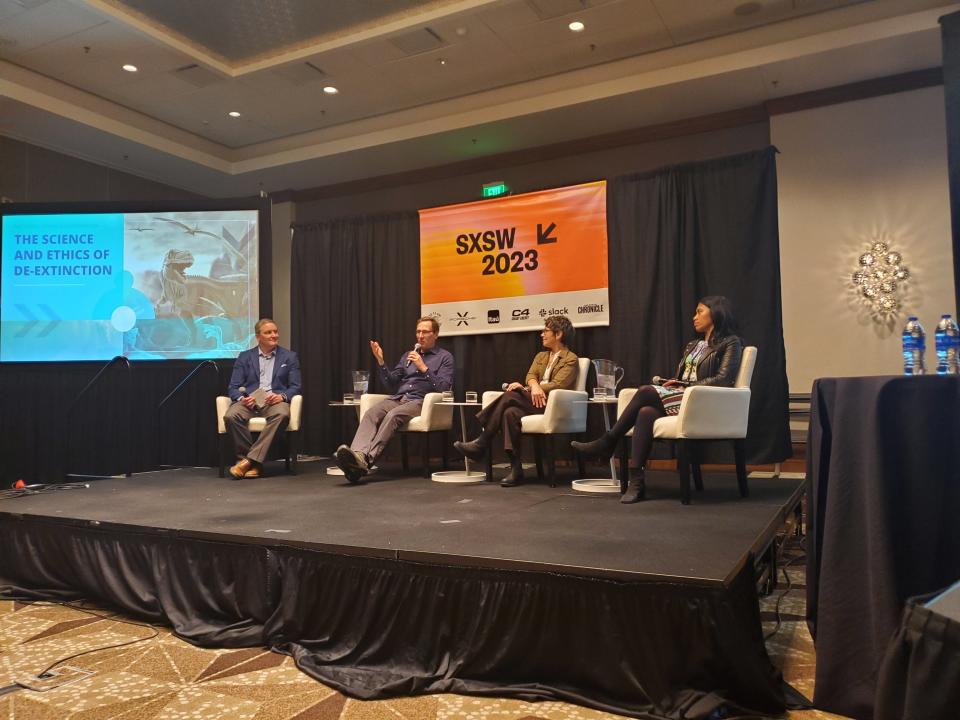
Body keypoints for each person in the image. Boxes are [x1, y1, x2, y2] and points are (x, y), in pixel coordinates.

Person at [572, 296, 743, 504]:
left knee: (645, 391)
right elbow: (683, 377)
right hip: (681, 398)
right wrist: (675, 383)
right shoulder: (692, 345)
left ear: (715, 312)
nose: (694, 317)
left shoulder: (731, 342)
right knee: (645, 413)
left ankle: (608, 441)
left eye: (699, 311)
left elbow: (724, 379)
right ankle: (636, 481)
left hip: (702, 403)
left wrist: (686, 386)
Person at [454, 315, 578, 487]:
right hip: (532, 402)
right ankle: (516, 468)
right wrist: (533, 386)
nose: (542, 334)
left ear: (558, 334)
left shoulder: (571, 358)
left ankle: (482, 442)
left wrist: (530, 388)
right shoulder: (541, 356)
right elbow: (530, 375)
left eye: (546, 331)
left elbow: (559, 384)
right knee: (509, 413)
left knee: (510, 395)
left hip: (551, 405)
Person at [335, 317, 454, 483]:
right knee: (371, 412)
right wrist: (381, 361)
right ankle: (356, 458)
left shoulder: (444, 357)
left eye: (425, 332)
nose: (420, 336)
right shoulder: (407, 356)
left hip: (421, 401)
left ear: (436, 334)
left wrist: (424, 368)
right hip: (399, 397)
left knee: (393, 415)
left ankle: (367, 460)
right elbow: (391, 383)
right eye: (418, 332)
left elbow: (444, 388)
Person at [225, 318, 301, 479]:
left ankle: (246, 462)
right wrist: (242, 399)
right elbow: (233, 387)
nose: (274, 335)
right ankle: (254, 463)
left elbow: (295, 386)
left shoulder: (289, 357)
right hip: (249, 402)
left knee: (282, 414)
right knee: (231, 416)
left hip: (274, 401)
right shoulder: (245, 357)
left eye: (275, 331)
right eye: (268, 332)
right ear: (258, 337)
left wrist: (282, 396)